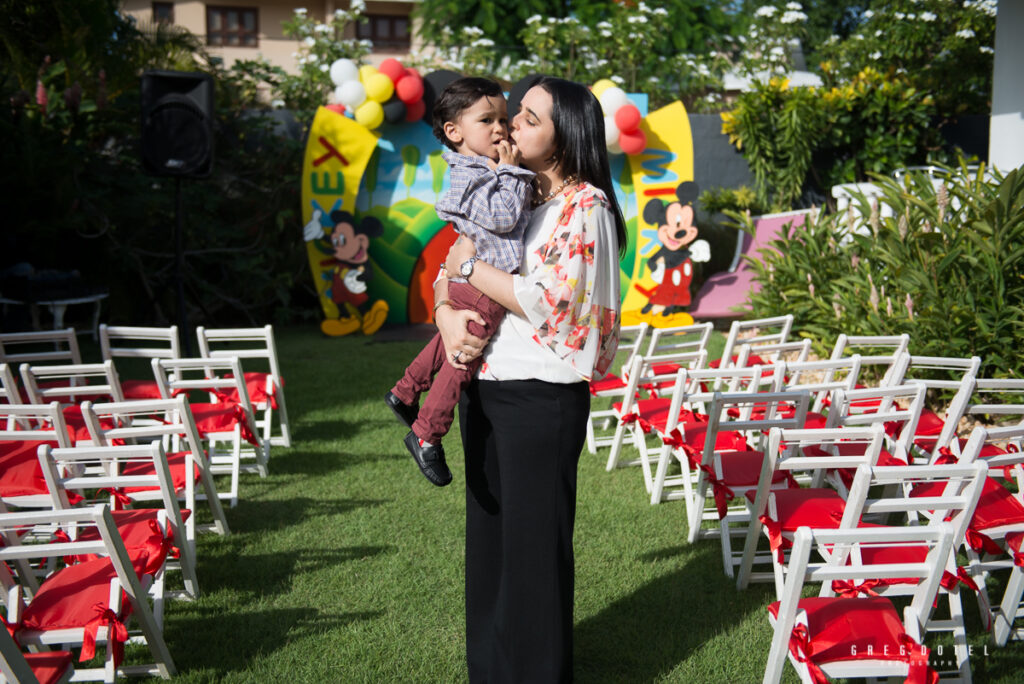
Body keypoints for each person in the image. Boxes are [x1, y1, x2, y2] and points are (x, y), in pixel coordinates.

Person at [436, 76, 626, 683]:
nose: (511, 123)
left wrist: (470, 265)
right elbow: (449, 269)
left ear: (564, 139)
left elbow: (546, 301)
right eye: (515, 113)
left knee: (534, 555)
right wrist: (445, 314)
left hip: (541, 400)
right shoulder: (515, 196)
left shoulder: (585, 207)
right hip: (486, 389)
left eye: (530, 118)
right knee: (489, 547)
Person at [385, 77, 534, 487]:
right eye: (487, 119)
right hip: (483, 281)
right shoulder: (474, 174)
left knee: (447, 342)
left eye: (503, 119)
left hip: (473, 279)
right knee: (462, 357)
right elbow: (504, 217)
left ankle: (406, 390)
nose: (501, 128)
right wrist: (512, 170)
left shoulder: (479, 169)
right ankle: (427, 434)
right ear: (454, 132)